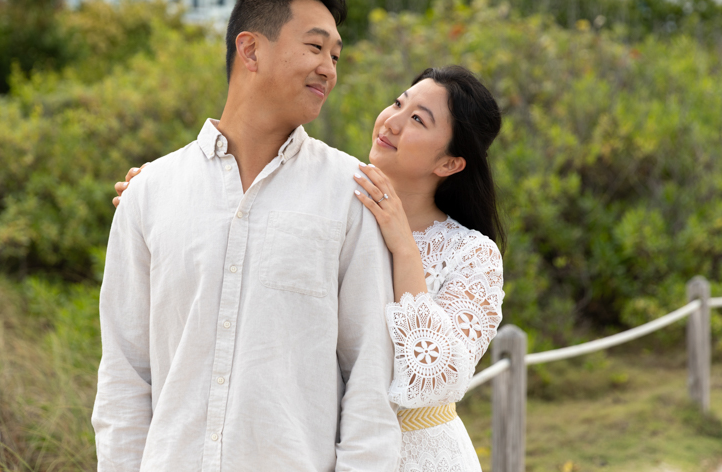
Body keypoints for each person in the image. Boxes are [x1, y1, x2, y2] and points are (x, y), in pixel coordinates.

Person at [115, 65, 506, 472]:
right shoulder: (331, 200)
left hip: (421, 456)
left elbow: (436, 379)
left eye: (417, 120)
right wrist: (159, 192)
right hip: (323, 448)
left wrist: (404, 247)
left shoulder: (471, 255)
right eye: (398, 103)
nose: (391, 121)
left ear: (449, 164)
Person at [92, 0, 402, 472]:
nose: (329, 69)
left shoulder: (351, 192)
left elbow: (370, 376)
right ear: (251, 50)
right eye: (315, 47)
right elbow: (125, 377)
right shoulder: (150, 193)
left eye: (336, 56)